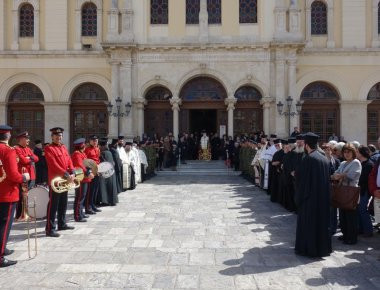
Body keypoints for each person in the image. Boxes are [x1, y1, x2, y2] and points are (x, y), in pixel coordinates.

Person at [295, 132, 332, 258]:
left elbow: (303, 182)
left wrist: (298, 198)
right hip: (322, 199)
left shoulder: (309, 159)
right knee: (321, 225)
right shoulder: (323, 158)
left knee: (309, 226)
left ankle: (309, 249)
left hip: (309, 200)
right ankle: (322, 249)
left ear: (306, 145)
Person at [0, 125, 30, 267]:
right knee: (4, 226)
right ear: (9, 136)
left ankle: (3, 247)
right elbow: (13, 175)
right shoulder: (8, 151)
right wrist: (23, 177)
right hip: (7, 193)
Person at [44, 127, 75, 237]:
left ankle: (62, 223)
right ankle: (49, 229)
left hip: (65, 180)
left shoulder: (63, 147)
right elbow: (53, 164)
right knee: (53, 205)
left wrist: (73, 171)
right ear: (52, 137)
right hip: (55, 181)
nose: (58, 137)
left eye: (60, 135)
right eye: (56, 135)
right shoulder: (48, 148)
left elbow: (69, 160)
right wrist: (66, 173)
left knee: (63, 203)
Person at [332, 143, 362, 245]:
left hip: (351, 193)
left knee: (351, 217)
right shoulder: (343, 163)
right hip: (342, 192)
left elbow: (352, 176)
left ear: (353, 153)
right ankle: (345, 234)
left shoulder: (356, 162)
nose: (346, 154)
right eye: (345, 152)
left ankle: (352, 238)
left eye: (349, 152)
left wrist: (340, 175)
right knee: (343, 216)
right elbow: (335, 174)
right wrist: (340, 175)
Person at [14, 131, 38, 220]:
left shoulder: (28, 148)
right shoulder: (16, 148)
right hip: (22, 175)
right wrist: (29, 158)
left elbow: (36, 158)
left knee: (28, 195)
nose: (28, 140)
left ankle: (27, 213)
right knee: (21, 196)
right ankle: (19, 215)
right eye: (26, 138)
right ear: (21, 139)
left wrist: (29, 158)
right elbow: (23, 160)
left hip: (31, 175)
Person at [71, 138, 94, 222]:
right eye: (84, 145)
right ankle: (77, 215)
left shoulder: (82, 153)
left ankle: (81, 213)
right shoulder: (77, 154)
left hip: (84, 178)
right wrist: (88, 173)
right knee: (79, 197)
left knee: (82, 197)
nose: (85, 146)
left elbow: (86, 163)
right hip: (80, 178)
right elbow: (80, 166)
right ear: (82, 146)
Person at [357, 146, 374, 237]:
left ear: (361, 153)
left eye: (357, 152)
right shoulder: (361, 163)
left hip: (364, 191)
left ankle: (368, 230)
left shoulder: (369, 164)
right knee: (359, 210)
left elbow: (363, 179)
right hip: (360, 190)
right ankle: (361, 229)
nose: (356, 153)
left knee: (363, 210)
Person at [84, 135, 101, 214]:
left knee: (95, 190)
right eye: (93, 141)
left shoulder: (97, 149)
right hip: (90, 171)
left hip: (97, 170)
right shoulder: (87, 150)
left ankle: (93, 205)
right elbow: (86, 162)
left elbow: (98, 159)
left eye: (96, 141)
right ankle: (88, 207)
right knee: (90, 190)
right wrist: (89, 171)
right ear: (90, 141)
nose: (95, 142)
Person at [98, 139, 118, 206]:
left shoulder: (103, 153)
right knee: (111, 187)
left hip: (105, 173)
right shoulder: (109, 152)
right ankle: (113, 200)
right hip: (111, 172)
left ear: (102, 146)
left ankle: (105, 201)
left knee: (104, 187)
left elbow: (102, 164)